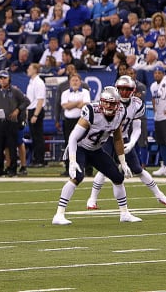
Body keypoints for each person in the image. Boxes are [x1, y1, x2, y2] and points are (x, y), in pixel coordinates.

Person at [52, 87, 141, 225]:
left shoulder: (120, 114)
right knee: (77, 177)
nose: (109, 106)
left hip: (96, 150)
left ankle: (124, 213)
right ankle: (59, 214)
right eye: (106, 102)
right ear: (101, 102)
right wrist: (73, 159)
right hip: (80, 147)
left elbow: (118, 138)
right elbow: (73, 137)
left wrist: (123, 162)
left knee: (118, 177)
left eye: (112, 103)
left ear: (118, 104)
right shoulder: (92, 112)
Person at [87, 76, 166, 208]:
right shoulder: (111, 100)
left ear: (133, 90)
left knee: (138, 169)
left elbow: (137, 128)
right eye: (121, 89)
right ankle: (92, 199)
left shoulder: (137, 104)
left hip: (123, 138)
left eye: (128, 89)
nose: (124, 92)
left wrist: (131, 143)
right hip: (107, 138)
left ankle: (160, 195)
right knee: (104, 169)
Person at [0, 71, 30, 177]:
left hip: (11, 122)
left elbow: (26, 101)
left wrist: (18, 110)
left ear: (8, 79)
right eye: (0, 79)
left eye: (4, 78)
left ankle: (12, 170)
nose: (2, 80)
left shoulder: (14, 91)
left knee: (12, 146)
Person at [59, 74, 91, 177]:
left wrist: (71, 104)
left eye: (77, 80)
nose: (75, 82)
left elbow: (86, 104)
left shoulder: (85, 92)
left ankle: (87, 168)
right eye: (73, 80)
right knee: (69, 144)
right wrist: (78, 103)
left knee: (85, 143)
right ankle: (69, 168)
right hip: (68, 122)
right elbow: (65, 106)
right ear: (70, 82)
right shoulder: (65, 93)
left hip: (82, 120)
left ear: (80, 81)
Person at [26, 63, 46, 167]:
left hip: (36, 110)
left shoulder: (39, 82)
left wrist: (35, 115)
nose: (27, 70)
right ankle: (36, 158)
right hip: (31, 110)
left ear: (35, 70)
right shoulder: (31, 82)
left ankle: (40, 160)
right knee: (34, 136)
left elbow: (40, 100)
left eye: (29, 68)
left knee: (38, 136)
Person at [151, 67, 166, 176]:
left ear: (163, 74)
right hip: (158, 117)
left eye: (159, 73)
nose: (157, 75)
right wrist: (155, 111)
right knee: (161, 142)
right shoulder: (153, 86)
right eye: (155, 73)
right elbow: (154, 99)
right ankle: (164, 165)